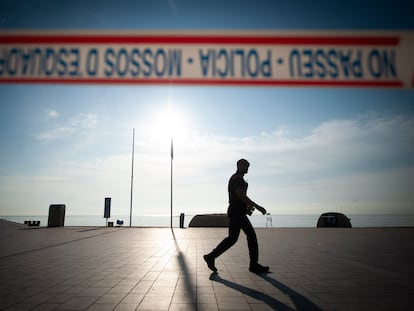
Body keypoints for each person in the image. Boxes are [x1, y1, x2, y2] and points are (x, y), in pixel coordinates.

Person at [204, 159, 269, 274]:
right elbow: (241, 195)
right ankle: (253, 265)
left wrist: (247, 207)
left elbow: (240, 197)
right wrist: (258, 207)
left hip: (237, 212)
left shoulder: (238, 178)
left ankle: (211, 256)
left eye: (248, 166)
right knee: (250, 236)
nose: (247, 168)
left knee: (233, 238)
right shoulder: (237, 179)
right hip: (236, 212)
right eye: (245, 166)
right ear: (239, 166)